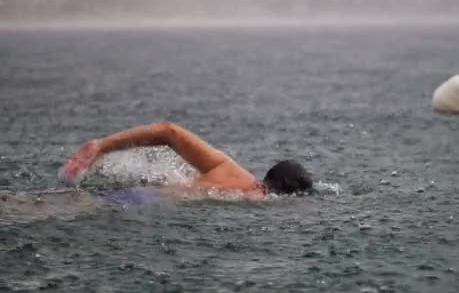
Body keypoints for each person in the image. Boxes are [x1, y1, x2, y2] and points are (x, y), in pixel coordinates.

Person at [61, 123, 313, 198]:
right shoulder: (257, 200)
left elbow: (169, 131)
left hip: (136, 196)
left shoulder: (229, 169)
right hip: (146, 206)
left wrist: (102, 147)